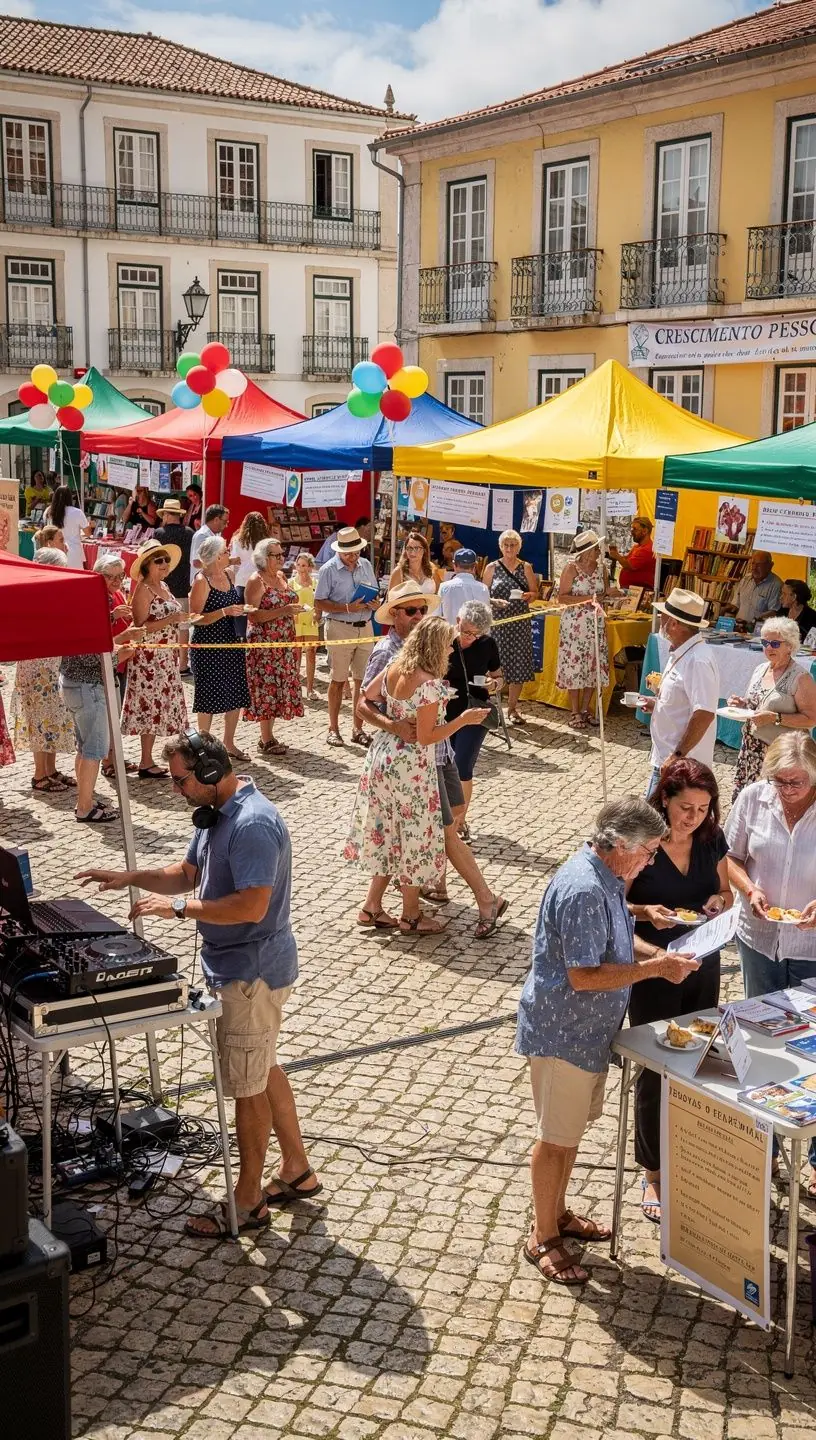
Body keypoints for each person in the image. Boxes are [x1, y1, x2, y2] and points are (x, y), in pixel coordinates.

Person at [76, 730, 320, 1238]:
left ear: (210, 772)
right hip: (238, 969)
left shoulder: (252, 825)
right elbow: (189, 873)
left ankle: (248, 1201)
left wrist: (181, 909)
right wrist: (131, 877)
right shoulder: (218, 815)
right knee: (261, 1066)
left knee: (247, 1088)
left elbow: (252, 905)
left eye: (180, 780)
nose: (175, 790)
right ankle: (296, 1169)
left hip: (250, 974)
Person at [516, 796, 698, 1286]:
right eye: (648, 852)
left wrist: (659, 952)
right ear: (619, 844)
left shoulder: (610, 878)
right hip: (564, 1033)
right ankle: (542, 1236)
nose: (652, 860)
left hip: (586, 1034)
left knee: (569, 1134)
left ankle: (555, 1215)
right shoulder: (582, 889)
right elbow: (583, 975)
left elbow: (617, 942)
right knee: (555, 1140)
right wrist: (656, 969)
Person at [357, 588, 506, 938]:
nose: (452, 650)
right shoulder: (426, 681)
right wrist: (464, 720)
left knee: (405, 831)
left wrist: (395, 724)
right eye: (447, 645)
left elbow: (371, 695)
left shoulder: (397, 665)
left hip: (389, 759)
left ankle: (372, 906)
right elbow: (424, 734)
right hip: (414, 765)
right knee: (416, 836)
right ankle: (412, 914)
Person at [627, 759, 732, 1222]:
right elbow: (615, 906)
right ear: (664, 798)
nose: (692, 817)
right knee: (655, 1069)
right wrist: (647, 916)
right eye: (685, 807)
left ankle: (690, 1154)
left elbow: (725, 893)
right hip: (653, 964)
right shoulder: (641, 841)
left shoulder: (711, 838)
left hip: (702, 961)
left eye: (703, 808)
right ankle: (653, 1173)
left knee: (698, 1061)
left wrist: (717, 901)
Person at [726, 732, 816, 1197]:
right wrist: (749, 888)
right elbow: (732, 857)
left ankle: (815, 1155)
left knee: (813, 1048)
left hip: (812, 949)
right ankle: (767, 1140)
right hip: (759, 937)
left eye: (796, 782)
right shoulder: (752, 799)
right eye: (779, 781)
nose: (786, 790)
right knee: (762, 1040)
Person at [639, 589, 719, 798]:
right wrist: (658, 704)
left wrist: (677, 756)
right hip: (668, 759)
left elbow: (704, 714)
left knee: (656, 826)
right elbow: (685, 700)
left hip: (681, 766)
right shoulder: (683, 650)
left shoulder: (697, 660)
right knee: (659, 826)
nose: (659, 619)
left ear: (674, 623)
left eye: (663, 616)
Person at [120, 539, 189, 777]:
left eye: (166, 560)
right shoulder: (143, 589)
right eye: (158, 560)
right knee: (148, 707)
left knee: (160, 706)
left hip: (165, 656)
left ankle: (150, 760)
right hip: (149, 659)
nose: (164, 564)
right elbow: (140, 625)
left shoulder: (164, 587)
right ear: (147, 565)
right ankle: (145, 761)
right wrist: (171, 620)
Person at [11, 547, 76, 792]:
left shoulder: (51, 591)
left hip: (51, 663)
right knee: (39, 718)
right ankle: (39, 775)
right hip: (36, 665)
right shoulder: (30, 592)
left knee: (54, 716)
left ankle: (51, 769)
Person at [729, 616, 816, 798]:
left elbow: (812, 719)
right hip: (751, 750)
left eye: (775, 644)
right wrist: (742, 704)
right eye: (765, 642)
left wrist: (775, 718)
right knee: (744, 800)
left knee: (771, 804)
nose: (768, 647)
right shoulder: (761, 669)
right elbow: (757, 703)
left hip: (780, 755)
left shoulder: (801, 678)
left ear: (790, 645)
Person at [314, 526, 377, 748]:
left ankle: (357, 728)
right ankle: (333, 728)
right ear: (339, 551)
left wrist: (375, 603)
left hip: (365, 626)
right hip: (340, 626)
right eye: (349, 553)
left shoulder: (366, 565)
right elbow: (319, 601)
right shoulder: (328, 570)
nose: (353, 557)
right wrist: (347, 607)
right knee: (338, 680)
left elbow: (374, 591)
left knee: (363, 681)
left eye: (357, 552)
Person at [189, 535, 250, 759]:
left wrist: (239, 610)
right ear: (215, 556)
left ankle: (229, 742)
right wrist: (223, 612)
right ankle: (203, 746)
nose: (229, 555)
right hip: (208, 646)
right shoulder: (201, 580)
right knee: (208, 696)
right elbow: (194, 617)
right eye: (225, 551)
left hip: (231, 642)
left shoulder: (229, 575)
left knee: (235, 693)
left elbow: (233, 605)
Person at [445, 600, 502, 837]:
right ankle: (442, 817)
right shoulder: (443, 639)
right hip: (445, 711)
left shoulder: (488, 644)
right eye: (467, 632)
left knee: (463, 765)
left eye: (476, 634)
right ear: (457, 621)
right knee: (442, 766)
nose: (471, 638)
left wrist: (494, 684)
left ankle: (459, 822)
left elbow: (499, 678)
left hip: (475, 710)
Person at [244, 537, 304, 756]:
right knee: (266, 690)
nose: (282, 558)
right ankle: (265, 738)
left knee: (279, 688)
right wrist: (284, 611)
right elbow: (253, 614)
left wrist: (291, 611)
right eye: (276, 555)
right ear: (263, 558)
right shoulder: (256, 580)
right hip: (265, 644)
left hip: (284, 641)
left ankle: (269, 736)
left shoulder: (280, 576)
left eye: (282, 554)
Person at [556, 529, 614, 731]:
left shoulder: (602, 570)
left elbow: (605, 593)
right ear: (588, 551)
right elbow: (562, 597)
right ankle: (574, 711)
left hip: (595, 623)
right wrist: (587, 599)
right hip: (575, 624)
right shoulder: (571, 569)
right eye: (597, 548)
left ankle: (586, 707)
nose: (600, 551)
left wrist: (615, 595)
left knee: (592, 664)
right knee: (575, 665)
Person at [58, 643, 117, 824]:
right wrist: (119, 654)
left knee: (84, 748)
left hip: (74, 685)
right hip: (87, 688)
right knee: (93, 750)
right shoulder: (84, 619)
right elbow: (91, 658)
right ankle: (84, 807)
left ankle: (84, 800)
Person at [484, 530, 537, 724]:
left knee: (518, 665)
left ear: (519, 547)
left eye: (512, 545)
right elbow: (483, 595)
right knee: (495, 666)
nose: (509, 548)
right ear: (500, 547)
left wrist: (528, 596)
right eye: (506, 545)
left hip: (519, 622)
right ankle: (491, 708)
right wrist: (494, 601)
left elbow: (534, 592)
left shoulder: (526, 567)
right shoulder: (491, 568)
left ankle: (513, 708)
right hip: (498, 623)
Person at [155, 498, 194, 672]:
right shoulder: (189, 533)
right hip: (183, 584)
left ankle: (168, 662)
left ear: (167, 515)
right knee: (183, 627)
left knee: (164, 625)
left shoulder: (159, 533)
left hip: (164, 584)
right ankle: (183, 664)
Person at [229, 512, 269, 641]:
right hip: (261, 583)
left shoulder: (237, 540)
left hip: (241, 582)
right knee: (259, 619)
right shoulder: (266, 543)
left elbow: (235, 563)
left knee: (241, 623)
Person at [727, 551, 782, 627]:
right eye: (753, 563)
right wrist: (724, 610)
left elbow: (773, 612)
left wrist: (755, 621)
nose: (754, 568)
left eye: (759, 565)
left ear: (770, 566)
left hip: (758, 630)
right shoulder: (745, 579)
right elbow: (735, 605)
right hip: (738, 627)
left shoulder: (776, 585)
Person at [291, 552, 319, 700]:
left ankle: (310, 688)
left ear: (309, 567)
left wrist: (317, 614)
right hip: (296, 622)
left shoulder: (315, 583)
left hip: (311, 622)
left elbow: (319, 602)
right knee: (296, 655)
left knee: (311, 655)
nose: (301, 568)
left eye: (304, 565)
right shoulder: (291, 583)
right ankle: (295, 688)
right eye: (299, 565)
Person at [438, 549, 491, 625]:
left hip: (450, 634)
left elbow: (437, 616)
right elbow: (486, 619)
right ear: (474, 567)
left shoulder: (444, 587)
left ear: (454, 565)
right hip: (475, 635)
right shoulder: (483, 588)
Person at [607, 515, 656, 590]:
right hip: (631, 588)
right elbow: (626, 560)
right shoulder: (637, 547)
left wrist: (617, 556)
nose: (632, 532)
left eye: (635, 529)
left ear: (645, 531)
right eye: (632, 529)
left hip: (639, 590)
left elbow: (629, 566)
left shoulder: (647, 549)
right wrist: (616, 554)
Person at [49, 484, 92, 569]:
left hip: (56, 550)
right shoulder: (77, 512)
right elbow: (88, 533)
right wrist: (90, 525)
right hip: (73, 551)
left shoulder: (50, 513)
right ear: (70, 497)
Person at [388, 531, 438, 595]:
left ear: (424, 551)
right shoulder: (399, 571)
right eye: (409, 548)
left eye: (417, 548)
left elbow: (439, 594)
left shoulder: (431, 569)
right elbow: (390, 599)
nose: (412, 552)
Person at [190, 503, 229, 574]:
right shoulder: (202, 535)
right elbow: (197, 563)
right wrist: (227, 562)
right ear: (216, 520)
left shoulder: (215, 534)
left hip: (210, 581)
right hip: (202, 582)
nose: (226, 525)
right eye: (225, 521)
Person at [777, 578, 816, 644]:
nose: (780, 597)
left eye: (784, 594)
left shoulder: (812, 617)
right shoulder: (782, 612)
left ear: (794, 597)